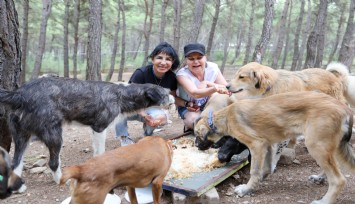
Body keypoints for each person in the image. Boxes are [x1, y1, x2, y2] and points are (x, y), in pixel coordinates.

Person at [115, 42, 186, 146]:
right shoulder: (141, 73)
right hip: (131, 107)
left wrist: (187, 105)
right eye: (159, 58)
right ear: (153, 59)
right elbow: (129, 98)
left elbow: (173, 97)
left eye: (168, 59)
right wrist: (144, 115)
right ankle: (124, 137)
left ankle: (148, 134)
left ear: (172, 62)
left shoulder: (171, 77)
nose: (163, 62)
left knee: (159, 116)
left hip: (149, 108)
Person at [177, 43, 230, 130]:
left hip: (209, 102)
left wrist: (208, 83)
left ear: (205, 57)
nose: (196, 61)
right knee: (195, 121)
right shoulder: (182, 74)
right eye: (191, 59)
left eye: (199, 58)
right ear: (186, 60)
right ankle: (191, 125)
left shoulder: (213, 68)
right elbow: (195, 93)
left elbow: (226, 88)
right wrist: (213, 88)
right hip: (190, 106)